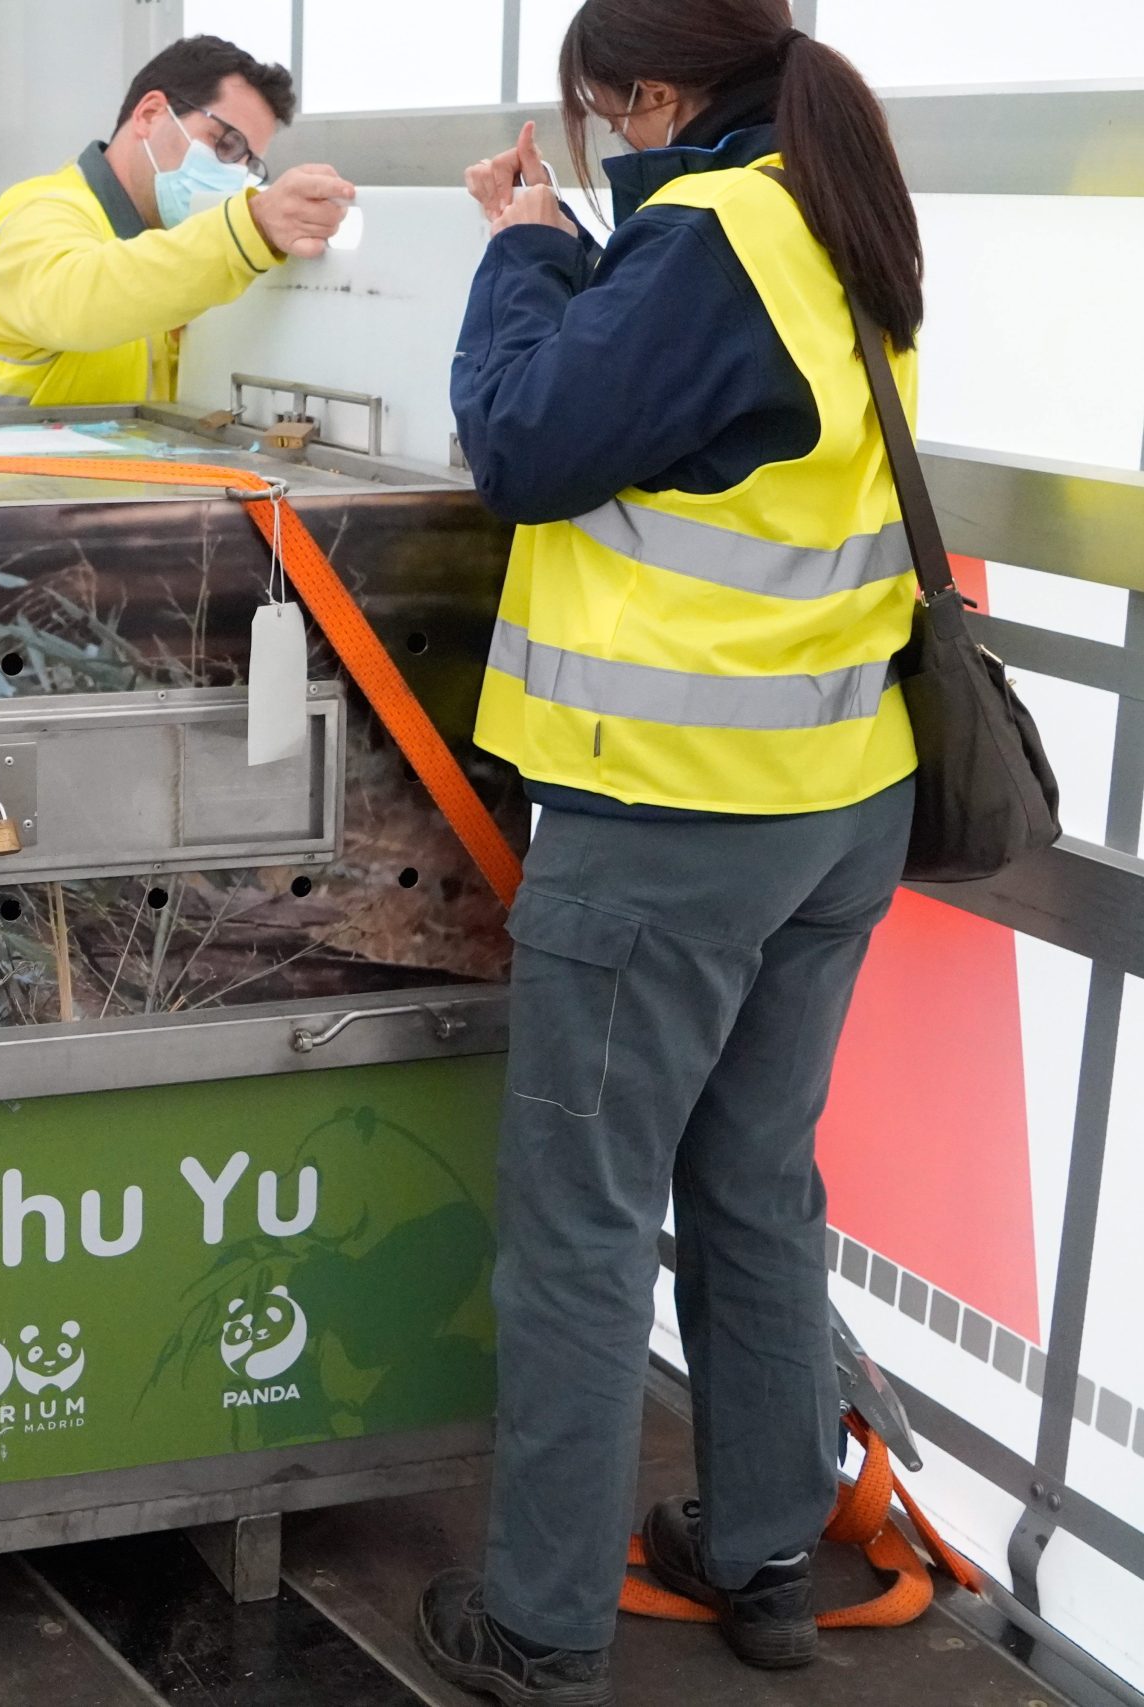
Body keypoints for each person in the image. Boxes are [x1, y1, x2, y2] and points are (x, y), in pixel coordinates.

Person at [416, 3, 928, 1703]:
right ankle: (766, 1558)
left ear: (649, 95)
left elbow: (529, 449)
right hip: (836, 791)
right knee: (756, 1185)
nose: (599, 142)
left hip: (674, 815)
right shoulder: (830, 205)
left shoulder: (710, 234)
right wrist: (578, 255)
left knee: (579, 1221)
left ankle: (541, 1631)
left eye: (601, 115)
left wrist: (515, 249)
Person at [0, 35, 353, 408]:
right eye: (225, 143)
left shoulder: (171, 255)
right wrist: (250, 228)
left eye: (249, 164)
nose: (235, 174)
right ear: (150, 114)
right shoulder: (37, 211)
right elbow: (82, 297)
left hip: (71, 503)